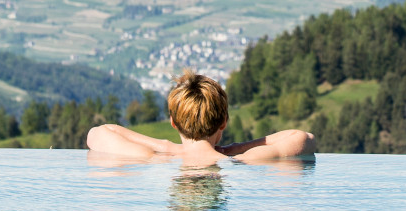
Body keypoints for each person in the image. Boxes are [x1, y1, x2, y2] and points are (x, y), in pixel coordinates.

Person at [86, 69, 316, 164]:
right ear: (224, 121)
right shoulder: (242, 161)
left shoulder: (152, 158)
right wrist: (236, 148)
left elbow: (98, 133)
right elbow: (303, 137)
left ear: (173, 122)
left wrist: (165, 147)